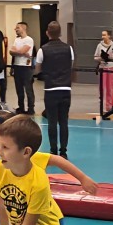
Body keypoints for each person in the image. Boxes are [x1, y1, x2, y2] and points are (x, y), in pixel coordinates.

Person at [35, 21, 73, 157]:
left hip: (51, 89)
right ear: (60, 33)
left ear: (47, 33)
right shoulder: (69, 49)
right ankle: (63, 151)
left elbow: (37, 69)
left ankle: (53, 150)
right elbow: (70, 65)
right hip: (65, 88)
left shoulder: (43, 50)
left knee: (52, 121)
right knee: (63, 121)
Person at [9, 22, 35, 116]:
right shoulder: (17, 40)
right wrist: (21, 53)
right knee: (19, 89)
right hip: (17, 66)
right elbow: (11, 52)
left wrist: (19, 52)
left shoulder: (29, 40)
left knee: (28, 89)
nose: (15, 29)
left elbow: (21, 51)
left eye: (17, 28)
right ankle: (21, 108)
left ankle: (31, 109)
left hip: (26, 67)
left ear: (23, 28)